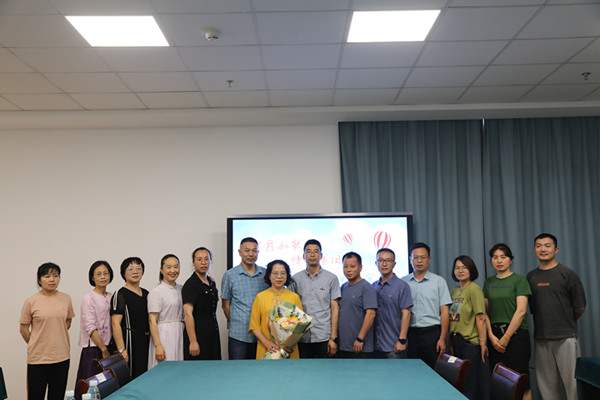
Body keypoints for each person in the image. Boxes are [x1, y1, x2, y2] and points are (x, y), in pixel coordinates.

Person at [527, 233, 586, 400]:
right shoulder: (531, 277)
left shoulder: (567, 274)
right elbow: (533, 308)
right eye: (539, 246)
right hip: (541, 338)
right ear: (534, 249)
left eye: (547, 245)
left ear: (556, 249)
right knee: (546, 388)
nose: (543, 249)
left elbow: (580, 306)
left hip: (565, 337)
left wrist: (564, 322)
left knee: (572, 385)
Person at [19, 263, 75, 400]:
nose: (52, 279)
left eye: (55, 276)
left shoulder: (66, 298)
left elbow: (68, 321)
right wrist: (36, 342)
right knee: (35, 396)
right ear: (39, 280)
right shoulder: (31, 301)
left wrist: (56, 334)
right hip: (38, 359)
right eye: (47, 276)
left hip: (62, 356)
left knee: (57, 396)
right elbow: (23, 329)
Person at [483, 243, 532, 377]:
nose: (499, 261)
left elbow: (521, 311)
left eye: (503, 257)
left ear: (511, 260)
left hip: (516, 335)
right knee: (499, 379)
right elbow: (485, 312)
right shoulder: (488, 282)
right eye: (495, 257)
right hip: (494, 337)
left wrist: (506, 337)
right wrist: (491, 336)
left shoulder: (519, 280)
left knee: (519, 378)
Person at [401, 242, 452, 368]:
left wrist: (442, 338)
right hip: (411, 334)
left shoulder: (439, 281)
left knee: (434, 370)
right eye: (416, 257)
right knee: (412, 370)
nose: (419, 261)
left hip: (432, 334)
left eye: (423, 257)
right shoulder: (403, 282)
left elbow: (445, 311)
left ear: (429, 260)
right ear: (410, 260)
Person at [290, 239, 341, 358]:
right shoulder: (295, 279)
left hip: (324, 336)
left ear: (321, 255)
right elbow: (290, 308)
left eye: (316, 251)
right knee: (303, 369)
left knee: (325, 369)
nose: (312, 255)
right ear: (303, 256)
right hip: (301, 337)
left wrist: (333, 338)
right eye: (308, 251)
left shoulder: (331, 278)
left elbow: (335, 309)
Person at [221, 237, 268, 360]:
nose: (250, 254)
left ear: (258, 252)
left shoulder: (266, 274)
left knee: (260, 369)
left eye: (254, 250)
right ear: (239, 252)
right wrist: (235, 322)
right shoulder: (230, 275)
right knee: (237, 369)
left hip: (262, 335)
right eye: (247, 250)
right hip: (238, 335)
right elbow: (225, 304)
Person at [448, 255, 487, 400]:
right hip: (456, 340)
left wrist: (482, 344)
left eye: (464, 267)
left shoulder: (474, 290)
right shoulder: (454, 291)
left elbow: (481, 318)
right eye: (457, 268)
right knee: (459, 382)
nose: (460, 271)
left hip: (470, 343)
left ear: (471, 270)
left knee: (470, 384)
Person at [75, 261, 115, 399]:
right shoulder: (88, 298)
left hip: (109, 347)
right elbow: (90, 327)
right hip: (93, 349)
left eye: (106, 273)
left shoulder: (112, 297)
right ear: (92, 277)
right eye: (98, 274)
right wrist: (103, 349)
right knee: (91, 389)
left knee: (108, 387)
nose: (103, 277)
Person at [249, 259, 303, 359]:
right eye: (275, 273)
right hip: (266, 348)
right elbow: (254, 325)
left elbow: (300, 325)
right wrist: (267, 343)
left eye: (283, 273)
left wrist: (289, 344)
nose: (279, 277)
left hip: (289, 350)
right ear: (269, 276)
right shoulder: (260, 297)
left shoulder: (294, 297)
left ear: (287, 276)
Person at [111, 257, 149, 379]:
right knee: (132, 377)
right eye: (131, 269)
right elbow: (115, 324)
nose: (135, 272)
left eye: (138, 268)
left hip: (146, 340)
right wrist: (122, 350)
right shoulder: (120, 294)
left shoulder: (147, 293)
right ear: (123, 273)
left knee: (146, 376)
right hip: (130, 341)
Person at [372, 248, 413, 359]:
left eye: (388, 260)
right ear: (376, 263)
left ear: (394, 264)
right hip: (375, 346)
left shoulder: (402, 286)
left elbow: (407, 314)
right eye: (381, 260)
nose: (384, 264)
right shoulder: (373, 286)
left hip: (394, 345)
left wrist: (402, 340)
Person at [182, 247, 221, 360]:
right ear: (193, 262)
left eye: (206, 259)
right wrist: (193, 341)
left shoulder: (211, 282)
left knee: (214, 365)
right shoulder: (190, 285)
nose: (203, 262)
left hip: (212, 331)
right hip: (198, 332)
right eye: (199, 259)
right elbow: (188, 314)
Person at [338, 252, 377, 358]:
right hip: (343, 346)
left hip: (360, 345)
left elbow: (371, 314)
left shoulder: (367, 287)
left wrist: (360, 338)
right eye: (345, 266)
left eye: (352, 266)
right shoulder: (343, 287)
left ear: (360, 267)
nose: (348, 270)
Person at [148, 254, 184, 369]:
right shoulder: (156, 292)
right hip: (164, 334)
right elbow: (152, 320)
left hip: (179, 332)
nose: (173, 271)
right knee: (165, 368)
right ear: (161, 269)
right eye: (169, 267)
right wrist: (158, 345)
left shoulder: (181, 289)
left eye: (176, 267)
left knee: (178, 368)